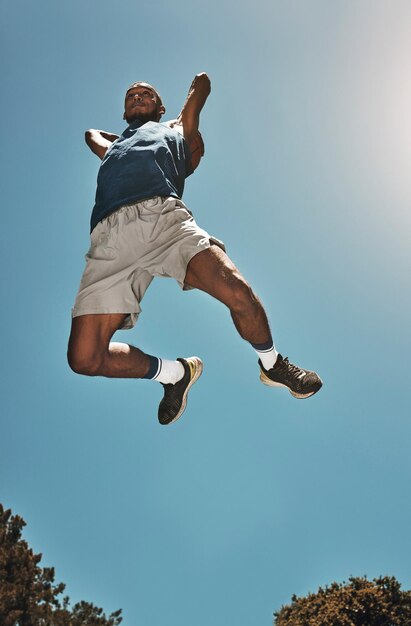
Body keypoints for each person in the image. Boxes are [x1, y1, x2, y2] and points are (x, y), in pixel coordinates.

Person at [68, 73, 323, 425]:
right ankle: (174, 375)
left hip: (164, 218)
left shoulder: (176, 129)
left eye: (146, 94)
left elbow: (201, 83)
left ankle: (273, 365)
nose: (137, 96)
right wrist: (126, 140)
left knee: (238, 291)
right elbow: (90, 135)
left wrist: (176, 117)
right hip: (110, 235)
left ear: (161, 107)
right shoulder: (114, 146)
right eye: (130, 95)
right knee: (84, 357)